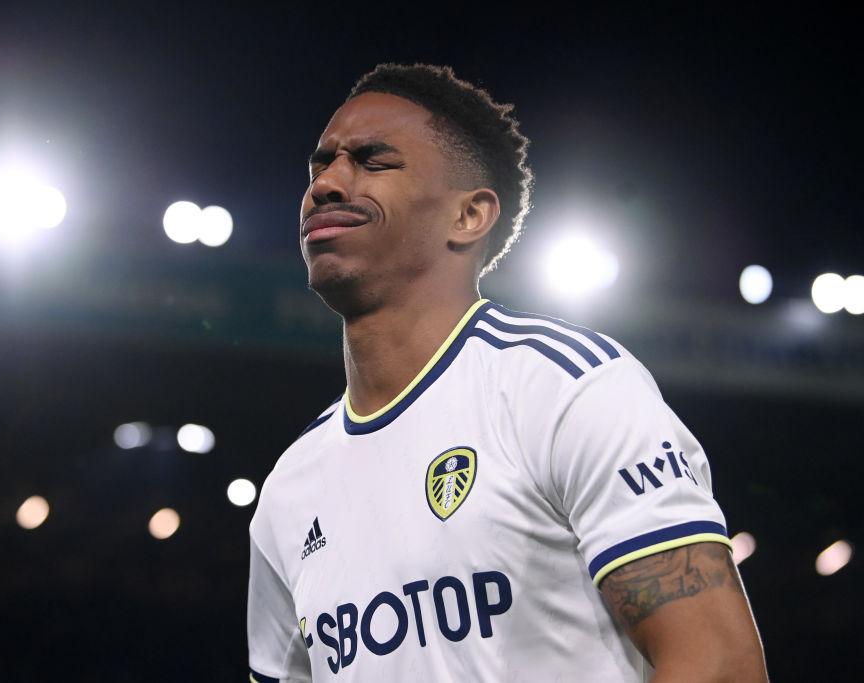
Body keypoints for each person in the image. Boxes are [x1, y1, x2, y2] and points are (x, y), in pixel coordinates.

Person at [247, 63, 767, 682]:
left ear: (469, 216)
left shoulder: (564, 388)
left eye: (373, 161)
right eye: (320, 165)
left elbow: (720, 664)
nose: (327, 184)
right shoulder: (289, 489)